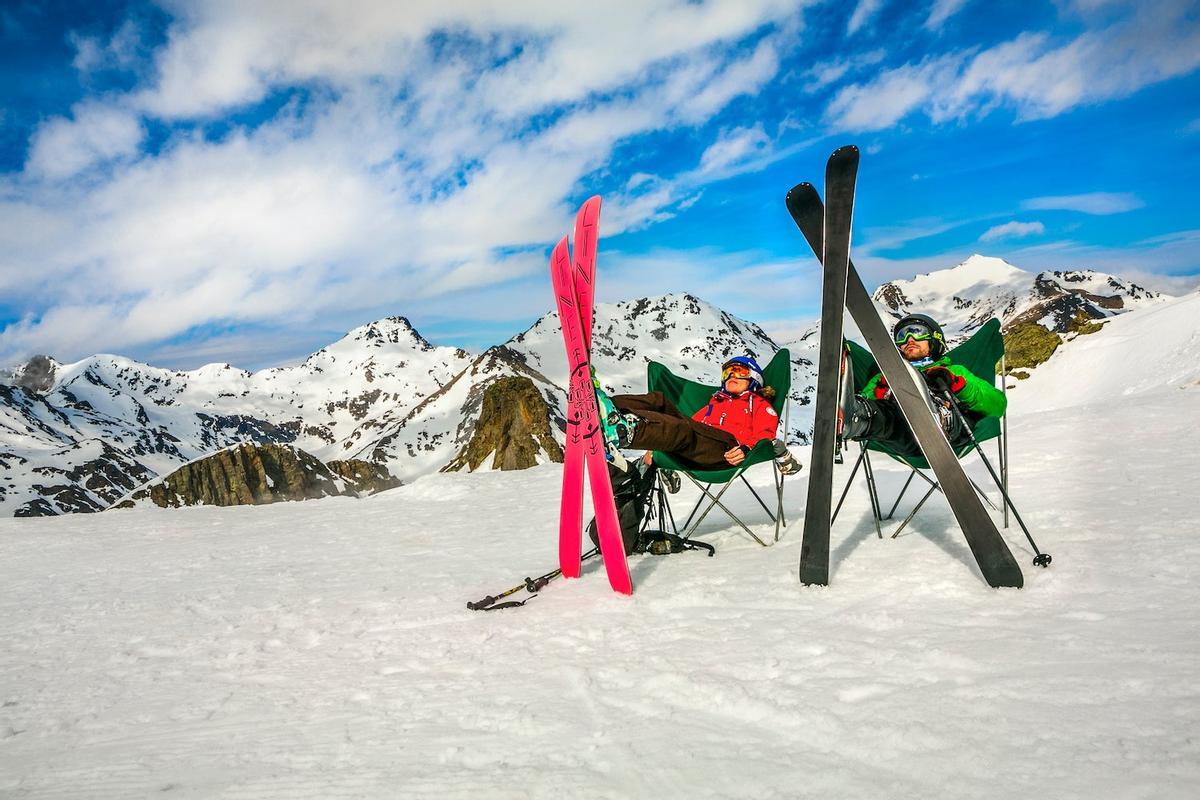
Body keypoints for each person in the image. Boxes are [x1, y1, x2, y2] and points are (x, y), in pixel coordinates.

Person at [842, 313, 1006, 458]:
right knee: (885, 414)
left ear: (934, 339)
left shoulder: (954, 371)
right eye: (902, 336)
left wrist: (960, 386)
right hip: (903, 433)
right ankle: (857, 420)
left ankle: (937, 415)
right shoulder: (885, 376)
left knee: (942, 399)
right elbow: (864, 398)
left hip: (952, 434)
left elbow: (998, 405)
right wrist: (877, 394)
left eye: (917, 332)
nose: (909, 340)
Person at [607, 355, 798, 474]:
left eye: (739, 371)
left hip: (727, 450)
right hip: (699, 443)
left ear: (754, 377)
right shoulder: (715, 402)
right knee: (660, 400)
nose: (731, 376)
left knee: (682, 429)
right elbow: (693, 425)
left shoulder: (758, 403)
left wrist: (747, 449)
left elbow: (766, 434)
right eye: (727, 373)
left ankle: (627, 431)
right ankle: (606, 409)